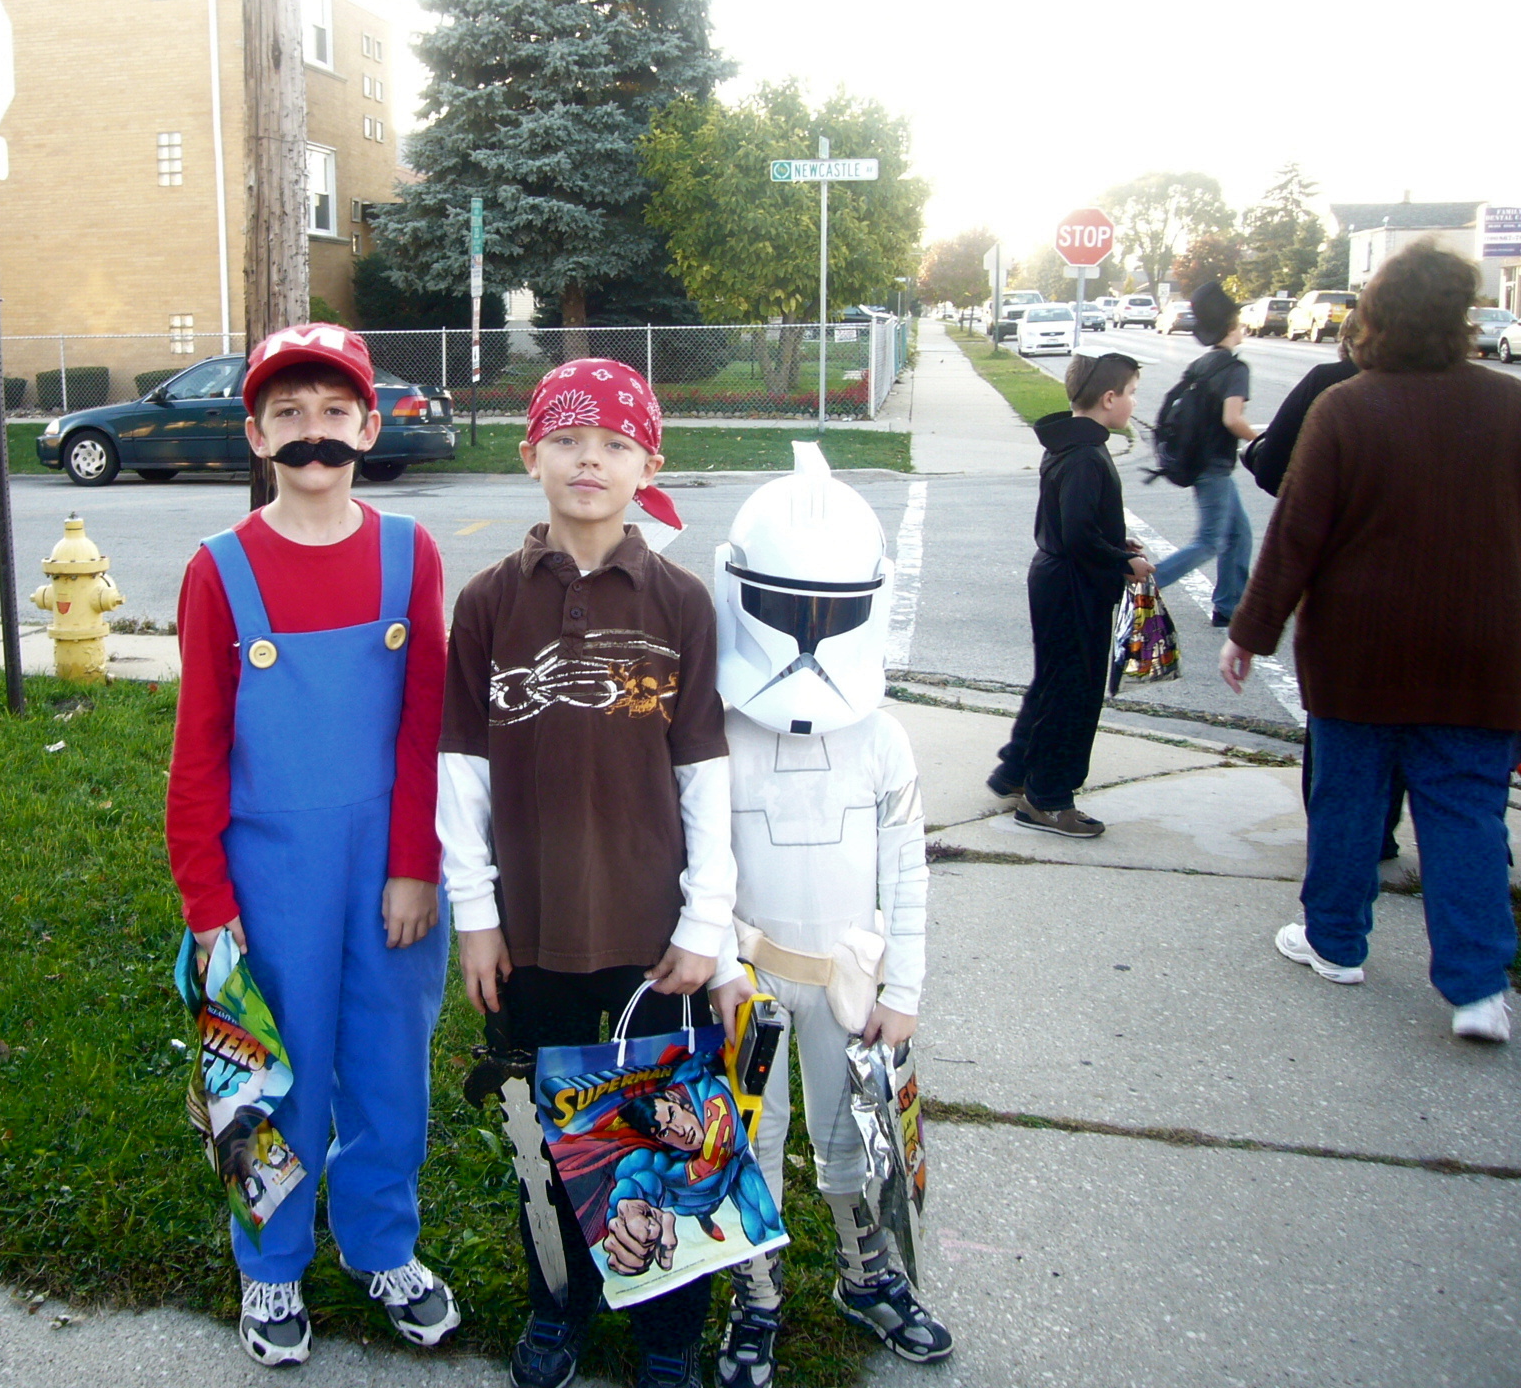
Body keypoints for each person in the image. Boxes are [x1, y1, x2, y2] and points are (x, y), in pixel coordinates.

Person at [438, 358, 749, 1388]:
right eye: (568, 440)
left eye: (615, 444)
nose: (589, 460)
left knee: (665, 1132)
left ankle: (669, 1334)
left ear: (647, 466)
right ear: (530, 455)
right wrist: (476, 916)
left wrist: (705, 923)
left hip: (652, 940)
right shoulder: (487, 604)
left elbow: (703, 775)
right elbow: (461, 771)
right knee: (548, 1138)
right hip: (528, 933)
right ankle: (559, 1305)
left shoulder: (680, 603)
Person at [165, 322, 459, 1365]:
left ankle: (380, 1243)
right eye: (286, 414)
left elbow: (424, 723)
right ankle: (271, 1263)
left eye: (335, 411)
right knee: (269, 1077)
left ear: (369, 427)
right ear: (256, 435)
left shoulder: (408, 554)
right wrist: (208, 903)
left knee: (387, 1068)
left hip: (388, 872)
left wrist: (416, 864)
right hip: (269, 877)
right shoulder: (219, 570)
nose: (313, 432)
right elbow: (198, 748)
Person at [1220, 240, 1521, 1045]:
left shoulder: (1347, 408)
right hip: (1483, 654)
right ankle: (1478, 987)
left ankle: (1335, 941)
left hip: (1359, 652)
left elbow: (1296, 536)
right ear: (1462, 318)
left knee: (1348, 799)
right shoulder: (1510, 407)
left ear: (1375, 317)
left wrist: (1250, 631)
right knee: (1469, 815)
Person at [712, 444, 953, 1383]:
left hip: (851, 982)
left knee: (852, 1135)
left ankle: (865, 1270)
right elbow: (699, 866)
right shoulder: (717, 736)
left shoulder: (881, 740)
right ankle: (757, 1292)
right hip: (750, 982)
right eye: (788, 609)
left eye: (832, 613)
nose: (810, 636)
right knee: (752, 1134)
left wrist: (906, 988)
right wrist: (719, 970)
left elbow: (907, 870)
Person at [1243, 320, 1409, 860]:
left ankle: (1340, 845)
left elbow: (1275, 472)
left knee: (1341, 722)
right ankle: (1384, 827)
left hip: (1346, 584)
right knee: (1414, 718)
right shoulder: (1477, 395)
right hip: (1444, 597)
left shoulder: (1330, 388)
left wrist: (1252, 629)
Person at [988, 352, 1152, 837]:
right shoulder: (1085, 455)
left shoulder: (1073, 444)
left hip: (1059, 578)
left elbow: (1075, 522)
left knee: (1054, 682)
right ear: (1109, 398)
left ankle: (1017, 772)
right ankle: (1047, 799)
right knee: (1074, 694)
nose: (1134, 402)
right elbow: (1078, 534)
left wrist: (1115, 544)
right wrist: (1122, 562)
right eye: (1132, 393)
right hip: (1072, 584)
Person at [1153, 282, 1258, 625]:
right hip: (1213, 465)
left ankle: (1228, 608)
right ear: (1231, 327)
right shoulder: (1235, 369)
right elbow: (1232, 419)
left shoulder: (1203, 364)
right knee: (1210, 541)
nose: (1243, 327)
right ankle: (1146, 584)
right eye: (1239, 322)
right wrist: (1261, 440)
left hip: (1199, 459)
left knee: (1239, 534)